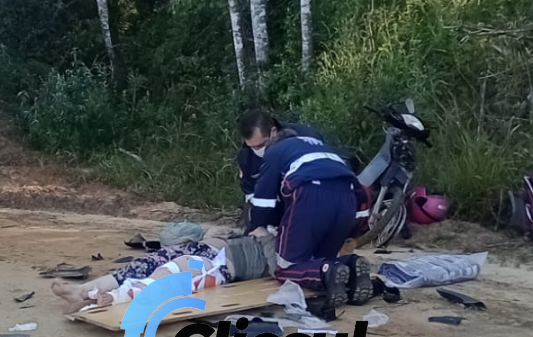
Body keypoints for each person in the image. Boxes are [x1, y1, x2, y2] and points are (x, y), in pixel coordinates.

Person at [246, 128, 372, 312]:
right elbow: (361, 195)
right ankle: (350, 265)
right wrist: (354, 230)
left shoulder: (274, 152)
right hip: (348, 198)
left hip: (310, 194)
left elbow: (263, 203)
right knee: (321, 259)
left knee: (286, 267)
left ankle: (326, 271)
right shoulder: (324, 149)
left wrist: (254, 227)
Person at [52, 227, 278, 312]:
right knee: (143, 265)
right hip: (211, 247)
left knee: (170, 275)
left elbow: (279, 268)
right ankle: (84, 290)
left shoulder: (283, 250)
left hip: (222, 264)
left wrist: (265, 237)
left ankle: (110, 297)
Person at [236, 110, 326, 229]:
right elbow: (251, 193)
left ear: (273, 132)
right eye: (252, 147)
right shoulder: (246, 157)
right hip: (274, 202)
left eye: (261, 145)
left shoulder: (305, 137)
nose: (257, 150)